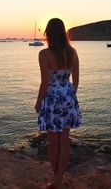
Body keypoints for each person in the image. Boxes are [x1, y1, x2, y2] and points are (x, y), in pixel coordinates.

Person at [34, 18, 82, 189]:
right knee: (64, 141)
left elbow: (45, 82)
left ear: (48, 34)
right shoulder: (73, 52)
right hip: (68, 98)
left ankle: (56, 181)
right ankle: (58, 180)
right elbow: (75, 81)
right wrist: (69, 96)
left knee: (53, 143)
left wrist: (38, 102)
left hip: (51, 100)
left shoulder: (44, 54)